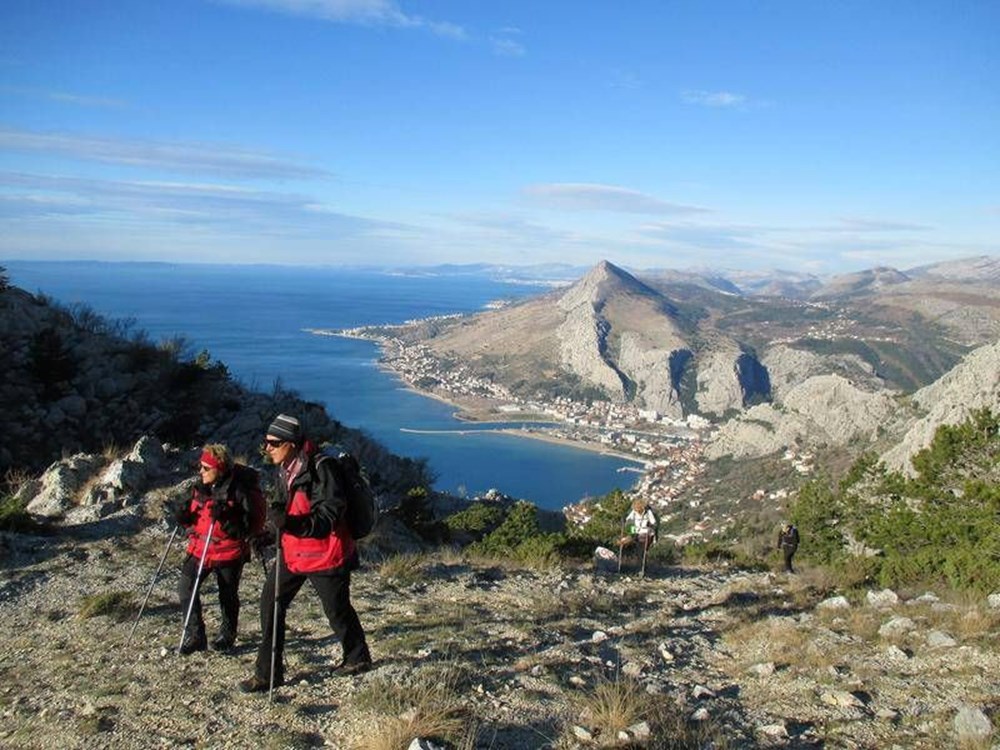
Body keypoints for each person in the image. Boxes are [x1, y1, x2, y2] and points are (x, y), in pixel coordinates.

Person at [240, 414, 372, 694]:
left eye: (273, 443)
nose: (267, 448)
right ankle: (267, 673)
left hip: (326, 554)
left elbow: (328, 516)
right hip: (293, 552)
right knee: (270, 603)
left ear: (291, 443)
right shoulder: (285, 468)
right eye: (266, 442)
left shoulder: (322, 469)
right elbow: (284, 511)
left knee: (337, 611)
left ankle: (357, 657)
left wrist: (291, 524)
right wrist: (268, 534)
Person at [172, 444, 252, 654]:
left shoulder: (238, 492)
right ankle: (196, 635)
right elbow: (192, 519)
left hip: (229, 551)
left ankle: (227, 634)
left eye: (206, 467)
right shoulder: (199, 488)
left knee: (227, 594)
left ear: (220, 468)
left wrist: (228, 519)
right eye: (201, 466)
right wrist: (182, 516)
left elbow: (249, 525)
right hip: (200, 548)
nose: (201, 471)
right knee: (185, 588)